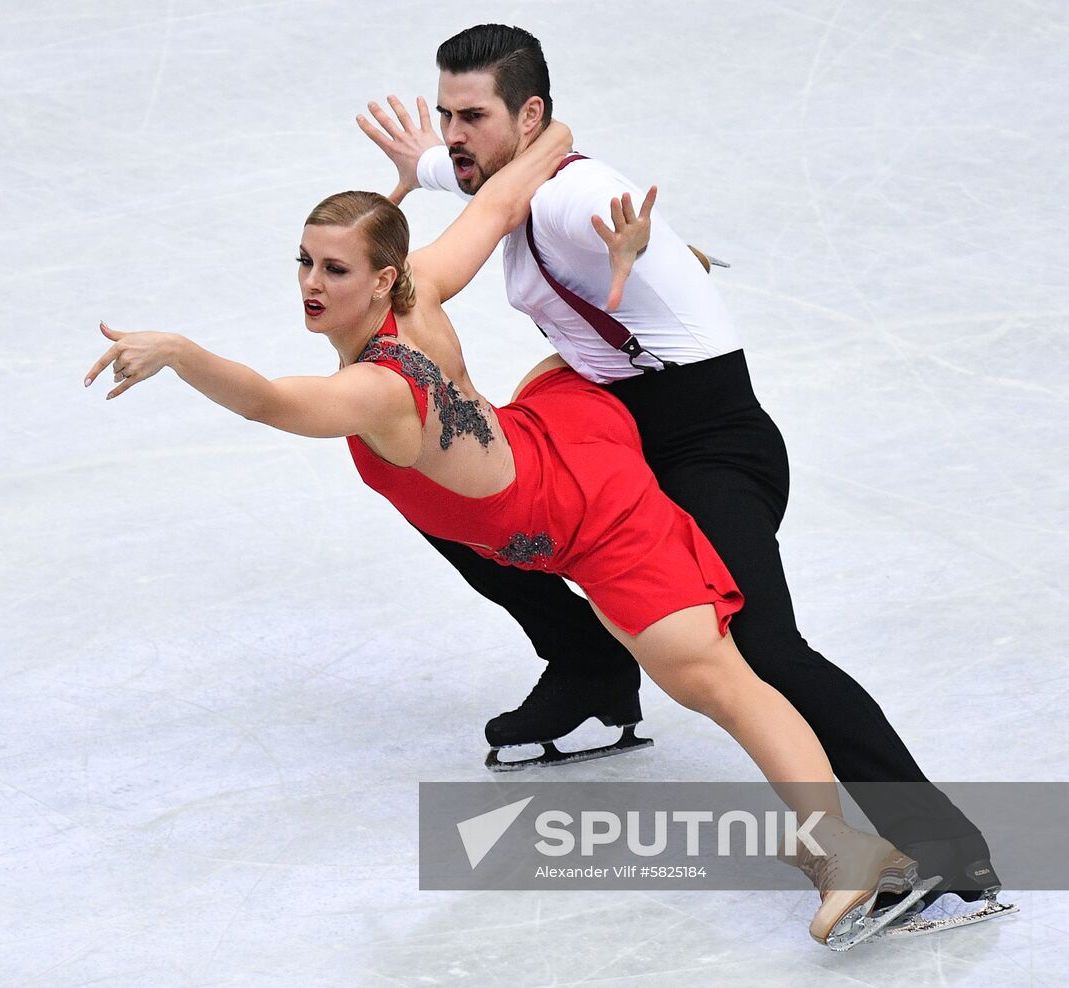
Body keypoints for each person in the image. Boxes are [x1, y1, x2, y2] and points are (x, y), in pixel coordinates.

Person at [83, 118, 933, 949]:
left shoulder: (378, 390)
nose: (312, 282)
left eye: (335, 268)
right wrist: (547, 140)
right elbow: (497, 206)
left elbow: (270, 399)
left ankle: (847, 853)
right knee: (546, 387)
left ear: (381, 281)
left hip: (592, 511)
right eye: (305, 261)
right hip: (553, 422)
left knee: (711, 677)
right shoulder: (419, 283)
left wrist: (181, 352)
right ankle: (654, 271)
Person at [355, 22, 1010, 933]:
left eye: (473, 117)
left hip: (710, 444)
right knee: (456, 498)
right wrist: (430, 163)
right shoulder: (513, 173)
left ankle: (943, 845)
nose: (455, 133)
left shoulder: (574, 196)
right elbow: (489, 187)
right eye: (446, 115)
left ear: (530, 114)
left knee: (764, 648)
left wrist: (640, 248)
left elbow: (574, 197)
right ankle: (590, 668)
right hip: (623, 431)